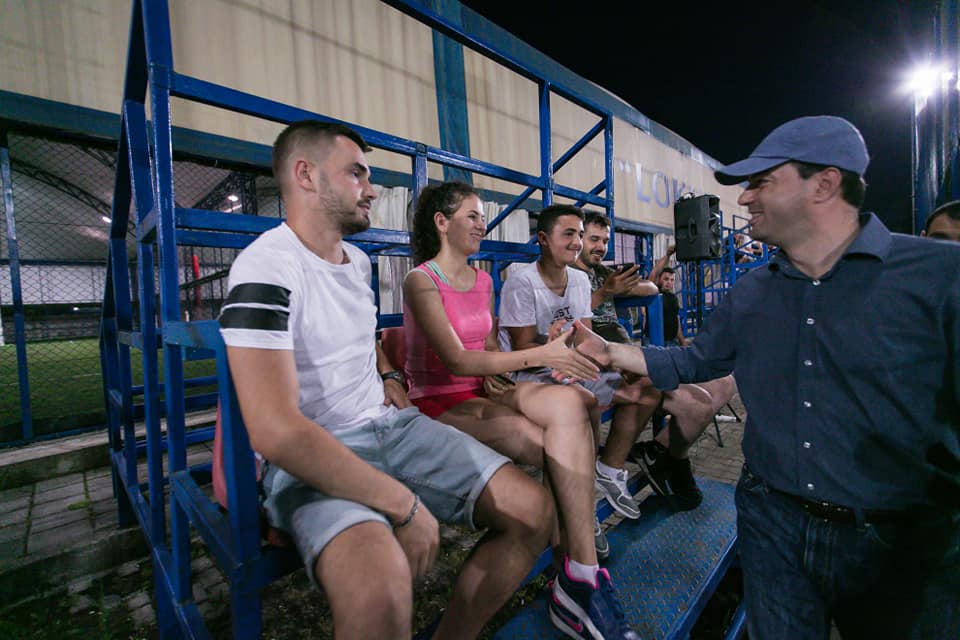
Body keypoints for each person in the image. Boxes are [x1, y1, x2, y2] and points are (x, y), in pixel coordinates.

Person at [570, 116, 960, 640]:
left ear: (823, 184)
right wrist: (610, 350)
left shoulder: (939, 277)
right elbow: (691, 363)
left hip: (901, 546)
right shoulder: (752, 292)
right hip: (772, 526)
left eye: (762, 182)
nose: (746, 199)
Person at [219, 121, 556, 640]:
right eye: (357, 173)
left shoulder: (356, 262)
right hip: (315, 452)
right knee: (381, 591)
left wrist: (389, 372)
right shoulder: (263, 268)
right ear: (305, 175)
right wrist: (405, 504)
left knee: (535, 514)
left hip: (391, 427)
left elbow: (365, 338)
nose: (372, 188)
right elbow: (276, 431)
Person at [402, 181, 638, 640]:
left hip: (482, 390)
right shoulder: (421, 280)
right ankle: (570, 560)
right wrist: (541, 357)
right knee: (556, 447)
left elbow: (487, 349)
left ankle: (578, 568)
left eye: (481, 215)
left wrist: (502, 378)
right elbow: (457, 361)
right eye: (471, 215)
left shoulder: (484, 279)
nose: (481, 222)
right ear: (442, 223)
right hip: (436, 401)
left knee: (572, 402)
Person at [575, 211, 735, 511]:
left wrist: (619, 286)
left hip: (628, 354)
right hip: (604, 362)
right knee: (696, 404)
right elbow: (564, 322)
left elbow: (650, 288)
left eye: (605, 240)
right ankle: (665, 460)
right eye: (593, 239)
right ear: (576, 238)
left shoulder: (601, 273)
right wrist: (603, 294)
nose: (600, 246)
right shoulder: (569, 274)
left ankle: (657, 450)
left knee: (725, 382)